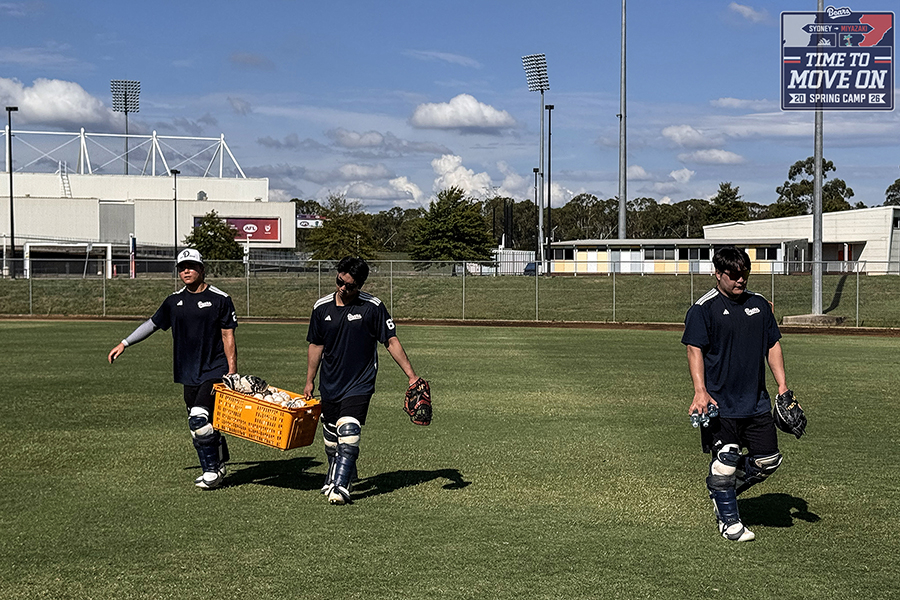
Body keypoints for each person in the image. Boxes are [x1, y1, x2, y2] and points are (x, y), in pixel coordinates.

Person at [681, 246, 789, 542]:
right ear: (717, 273)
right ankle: (729, 522)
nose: (741, 279)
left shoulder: (760, 305)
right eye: (733, 274)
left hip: (756, 402)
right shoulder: (703, 308)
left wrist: (782, 386)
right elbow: (694, 349)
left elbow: (772, 345)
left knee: (768, 460)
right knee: (727, 457)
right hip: (720, 402)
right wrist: (700, 392)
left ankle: (721, 486)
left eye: (745, 273)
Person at [108, 248, 238, 490]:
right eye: (182, 268)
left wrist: (232, 371)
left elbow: (227, 335)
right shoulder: (173, 301)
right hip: (187, 372)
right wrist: (124, 343)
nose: (186, 271)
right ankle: (218, 463)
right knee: (199, 426)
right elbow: (152, 324)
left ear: (202, 269)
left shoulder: (220, 298)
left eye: (191, 266)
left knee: (198, 419)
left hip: (215, 370)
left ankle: (212, 472)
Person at [304, 256, 419, 505]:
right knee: (331, 438)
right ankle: (338, 473)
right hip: (330, 382)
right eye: (340, 282)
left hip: (360, 381)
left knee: (348, 429)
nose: (343, 288)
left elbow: (390, 341)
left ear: (360, 285)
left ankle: (341, 485)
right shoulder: (321, 307)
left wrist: (412, 376)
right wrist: (309, 381)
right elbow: (316, 346)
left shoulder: (372, 307)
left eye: (350, 286)